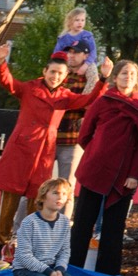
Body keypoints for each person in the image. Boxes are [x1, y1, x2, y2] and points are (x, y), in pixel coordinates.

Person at [0, 43, 111, 245]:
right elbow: (8, 82)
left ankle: (28, 245)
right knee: (9, 203)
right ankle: (0, 244)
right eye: (52, 71)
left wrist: (103, 79)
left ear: (65, 76)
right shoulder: (29, 89)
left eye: (60, 73)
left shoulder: (65, 96)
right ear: (45, 71)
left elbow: (89, 99)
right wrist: (1, 62)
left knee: (37, 201)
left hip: (43, 153)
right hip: (20, 151)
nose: (55, 76)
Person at [70, 58, 138, 275]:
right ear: (115, 78)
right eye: (124, 74)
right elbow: (84, 135)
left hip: (125, 173)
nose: (128, 78)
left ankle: (108, 273)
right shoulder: (103, 101)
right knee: (83, 223)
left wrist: (134, 173)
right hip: (96, 168)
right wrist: (99, 153)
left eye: (132, 74)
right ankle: (73, 268)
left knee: (114, 226)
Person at [3, 178, 81, 276]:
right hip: (26, 269)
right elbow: (24, 256)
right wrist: (49, 273)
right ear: (43, 197)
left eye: (64, 194)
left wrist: (59, 271)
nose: (60, 197)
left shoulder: (65, 222)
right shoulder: (29, 222)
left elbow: (64, 251)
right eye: (55, 193)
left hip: (52, 267)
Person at [49, 39, 95, 182]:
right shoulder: (59, 75)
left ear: (86, 56)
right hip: (49, 137)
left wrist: (66, 103)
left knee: (66, 186)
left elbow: (90, 104)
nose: (71, 55)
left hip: (72, 138)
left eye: (76, 52)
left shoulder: (90, 79)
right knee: (39, 183)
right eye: (70, 51)